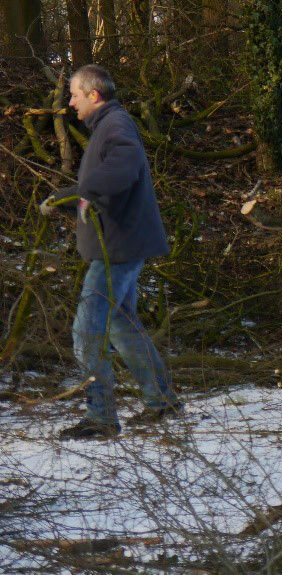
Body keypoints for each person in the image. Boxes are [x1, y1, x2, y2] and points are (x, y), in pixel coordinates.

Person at [39, 65, 180, 438]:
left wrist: (77, 194)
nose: (70, 103)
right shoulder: (109, 126)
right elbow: (103, 189)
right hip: (122, 241)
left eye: (74, 95)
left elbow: (122, 170)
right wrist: (70, 200)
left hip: (116, 247)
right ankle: (161, 401)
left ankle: (101, 417)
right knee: (122, 324)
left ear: (94, 95)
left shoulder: (115, 126)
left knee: (87, 330)